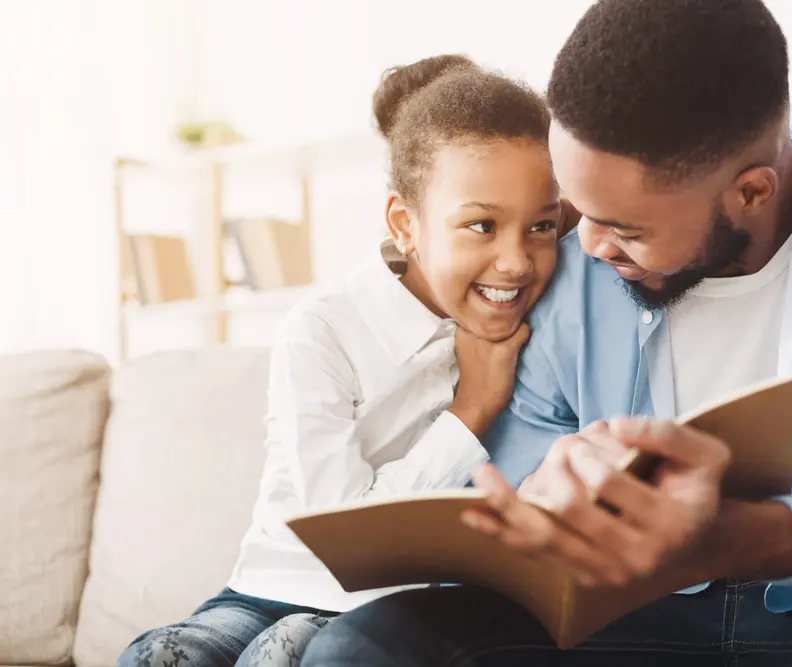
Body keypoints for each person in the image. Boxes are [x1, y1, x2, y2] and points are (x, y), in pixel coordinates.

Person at [299, 1, 792, 665]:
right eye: (573, 211)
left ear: (751, 191)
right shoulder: (568, 254)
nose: (587, 247)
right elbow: (522, 450)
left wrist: (741, 539)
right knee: (367, 647)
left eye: (624, 228)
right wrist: (553, 489)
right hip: (626, 619)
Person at [117, 54, 565, 667]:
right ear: (406, 224)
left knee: (294, 651)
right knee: (163, 655)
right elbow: (345, 535)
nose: (516, 261)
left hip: (378, 622)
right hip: (265, 591)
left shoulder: (540, 322)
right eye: (482, 225)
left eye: (541, 225)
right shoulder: (322, 330)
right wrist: (469, 412)